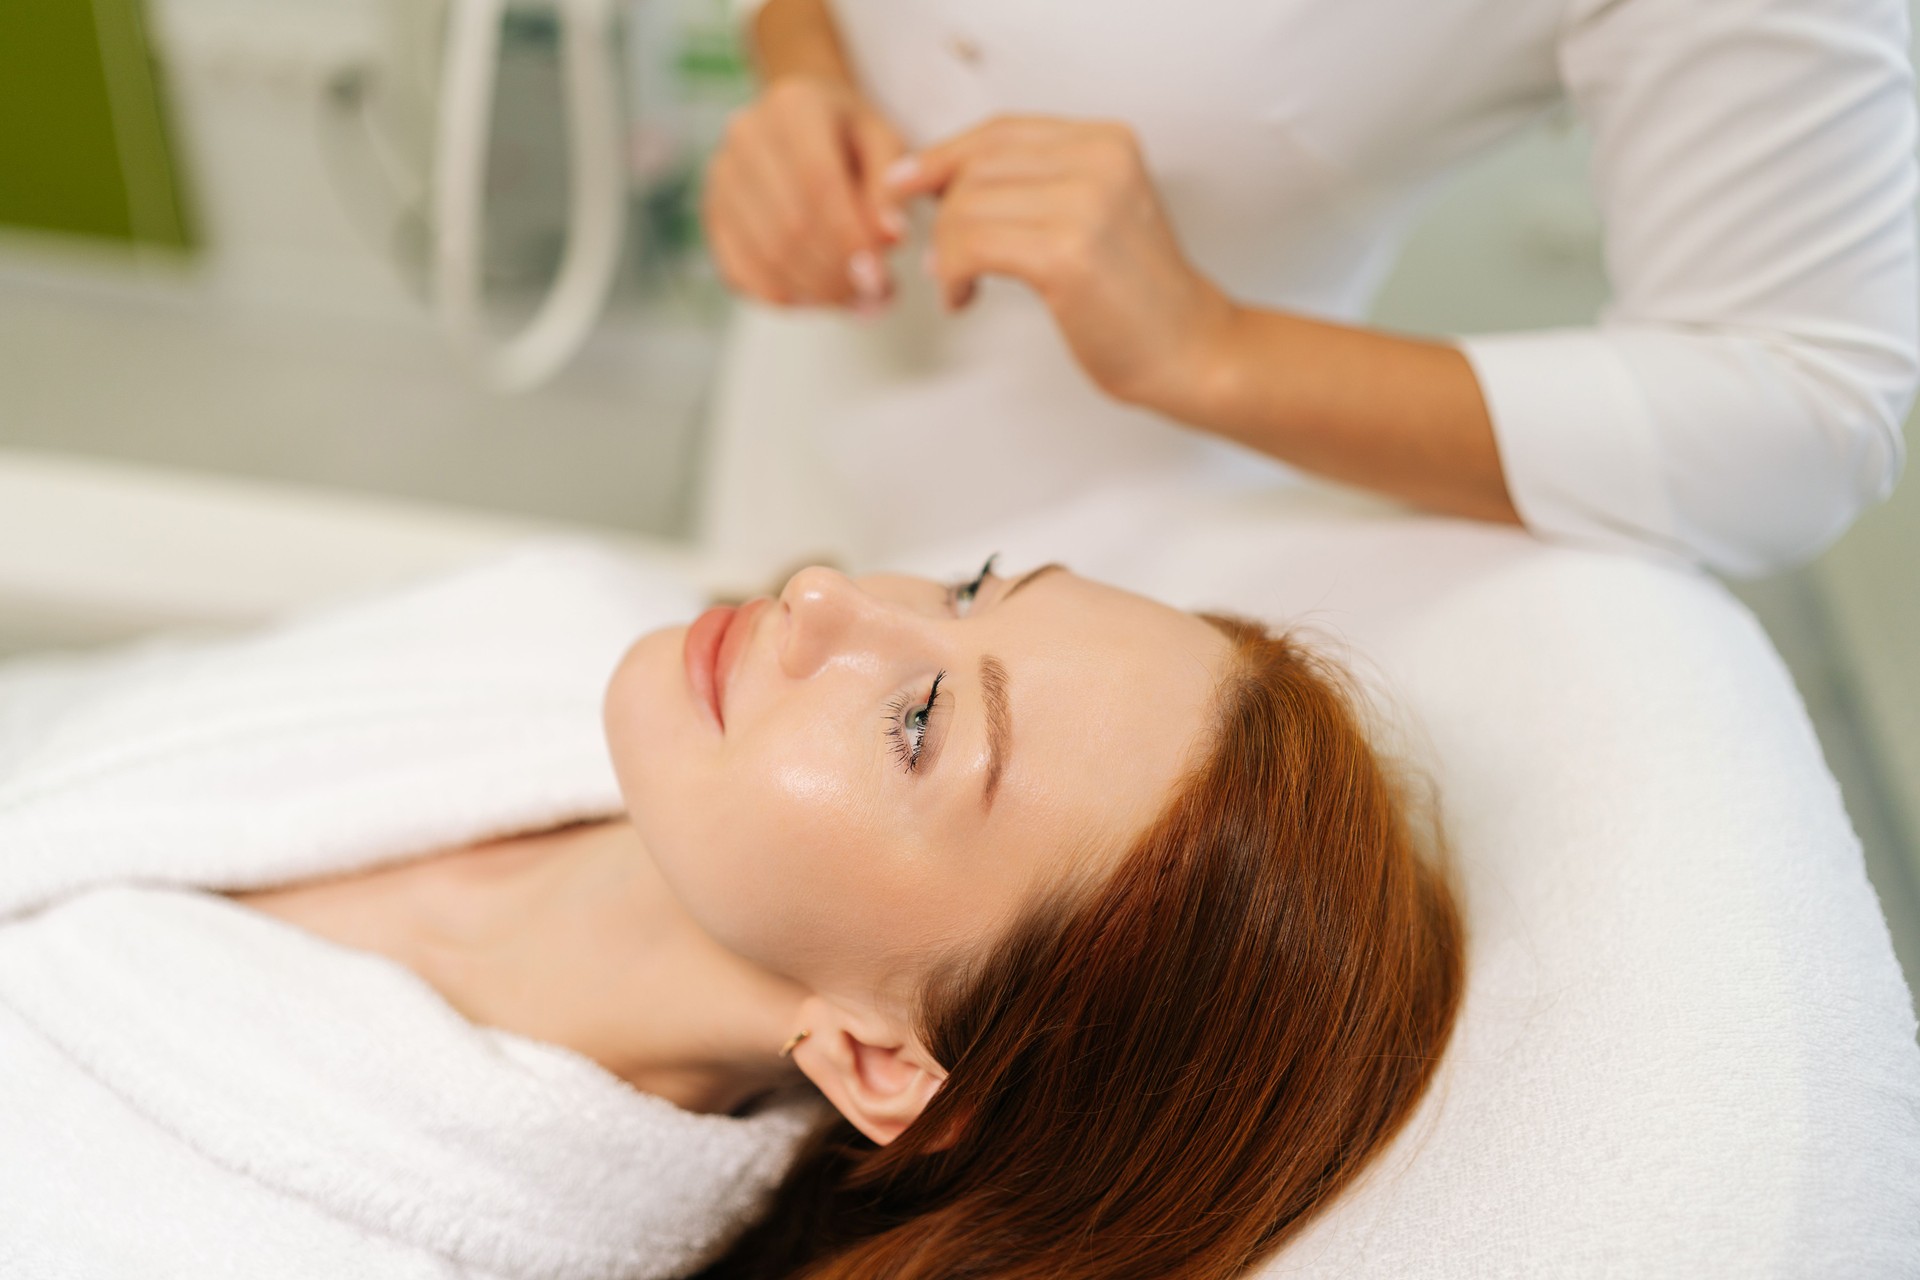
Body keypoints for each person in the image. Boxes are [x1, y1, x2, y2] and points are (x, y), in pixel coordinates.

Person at [0, 546, 1462, 1279]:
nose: (822, 596)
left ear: (880, 1058)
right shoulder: (552, 616)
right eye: (967, 588)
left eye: (918, 723)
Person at [697, 0, 1919, 581]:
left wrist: (1208, 345)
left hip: (1138, 550)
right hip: (798, 397)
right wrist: (803, 73)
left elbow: (1806, 410)